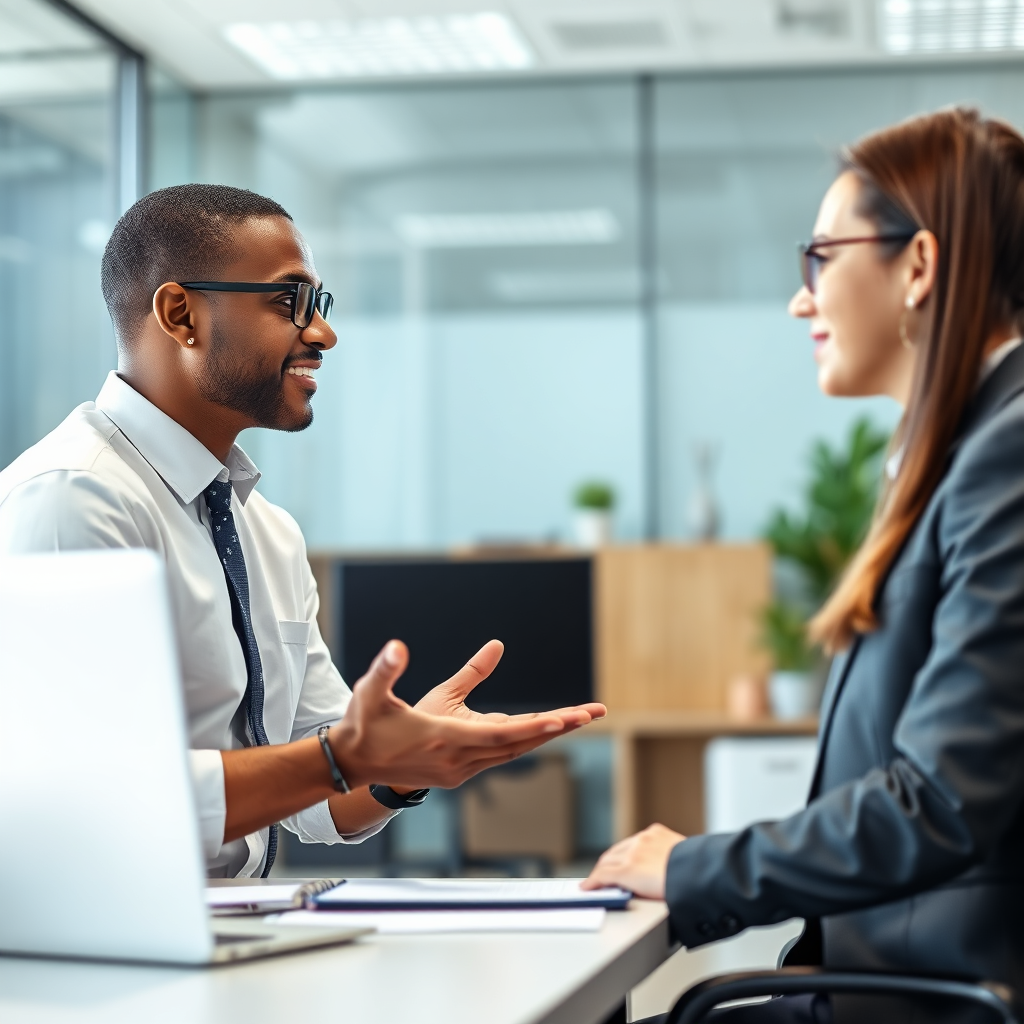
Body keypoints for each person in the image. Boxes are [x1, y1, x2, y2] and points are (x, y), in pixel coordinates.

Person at [0, 184, 605, 878]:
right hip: (109, 950)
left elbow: (318, 802)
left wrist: (402, 765)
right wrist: (343, 755)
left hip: (240, 927)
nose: (322, 333)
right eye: (290, 301)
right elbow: (88, 796)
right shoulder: (72, 499)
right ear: (180, 314)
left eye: (319, 305)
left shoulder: (267, 531)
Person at [583, 106, 1024, 1022]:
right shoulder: (965, 451)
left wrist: (693, 866)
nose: (800, 297)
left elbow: (940, 801)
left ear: (918, 266)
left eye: (822, 256)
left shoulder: (1006, 452)